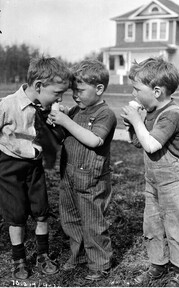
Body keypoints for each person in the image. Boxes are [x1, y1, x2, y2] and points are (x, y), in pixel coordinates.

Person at [121, 57, 179, 287]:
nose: (134, 94)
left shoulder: (173, 114)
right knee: (152, 224)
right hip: (153, 179)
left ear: (156, 91)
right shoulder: (151, 110)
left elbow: (153, 145)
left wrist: (137, 121)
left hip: (174, 180)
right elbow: (140, 143)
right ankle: (158, 264)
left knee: (176, 226)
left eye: (137, 89)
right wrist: (133, 125)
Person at [0, 56, 71, 280]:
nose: (59, 98)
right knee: (16, 215)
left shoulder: (46, 107)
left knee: (41, 212)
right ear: (39, 86)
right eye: (57, 93)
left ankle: (43, 254)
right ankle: (18, 258)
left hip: (34, 166)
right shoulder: (7, 105)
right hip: (9, 167)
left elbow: (55, 133)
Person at [48, 59, 117, 281]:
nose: (75, 96)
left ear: (99, 89)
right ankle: (78, 255)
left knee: (93, 222)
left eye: (80, 91)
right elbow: (66, 135)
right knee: (70, 218)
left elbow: (95, 140)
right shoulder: (77, 109)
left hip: (92, 179)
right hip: (69, 174)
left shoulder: (106, 114)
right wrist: (57, 122)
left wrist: (67, 121)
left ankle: (100, 263)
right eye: (73, 91)